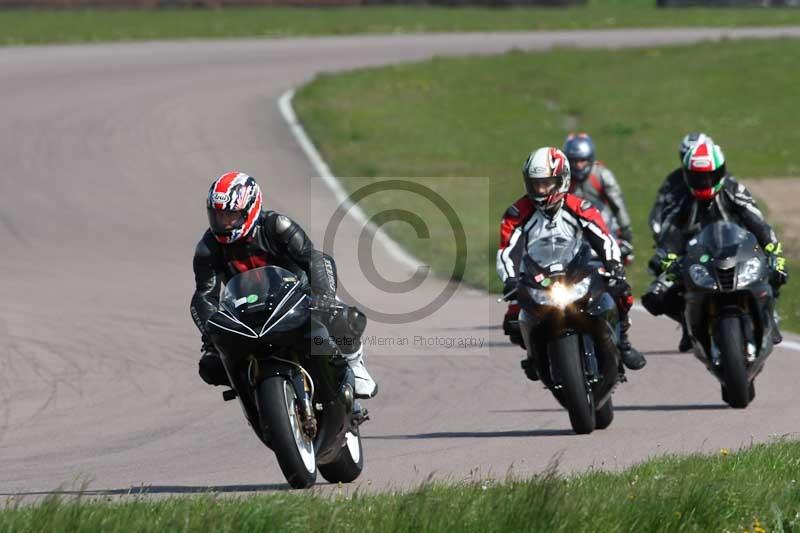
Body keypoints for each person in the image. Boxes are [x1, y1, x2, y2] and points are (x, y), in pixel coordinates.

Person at [191, 171, 378, 399]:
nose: (225, 223)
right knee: (211, 366)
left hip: (298, 298)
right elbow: (204, 295)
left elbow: (315, 259)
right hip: (247, 314)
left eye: (232, 215)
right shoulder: (208, 247)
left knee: (344, 318)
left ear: (251, 209)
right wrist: (211, 332)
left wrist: (323, 296)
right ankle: (252, 396)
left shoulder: (277, 227)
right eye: (219, 216)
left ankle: (354, 364)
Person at [497, 147, 646, 377]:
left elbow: (603, 238)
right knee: (513, 319)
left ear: (562, 180)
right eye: (536, 183)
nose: (541, 189)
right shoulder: (516, 213)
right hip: (538, 276)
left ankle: (623, 343)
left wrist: (614, 265)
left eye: (547, 183)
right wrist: (510, 279)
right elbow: (507, 250)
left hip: (576, 270)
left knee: (620, 290)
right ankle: (533, 355)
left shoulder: (580, 207)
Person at [641, 140, 788, 346]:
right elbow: (671, 232)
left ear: (721, 172)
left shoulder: (733, 189)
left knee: (776, 272)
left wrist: (772, 249)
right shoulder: (681, 197)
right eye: (698, 177)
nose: (704, 181)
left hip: (739, 250)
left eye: (710, 175)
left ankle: (769, 317)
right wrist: (664, 255)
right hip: (698, 255)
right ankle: (689, 322)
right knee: (654, 297)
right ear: (687, 175)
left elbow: (757, 222)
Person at [646, 132, 713, 350]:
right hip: (686, 246)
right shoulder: (675, 181)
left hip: (721, 244)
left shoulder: (726, 185)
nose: (700, 177)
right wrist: (663, 240)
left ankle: (767, 321)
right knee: (655, 295)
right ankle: (689, 324)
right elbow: (660, 210)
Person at [563, 133, 635, 263]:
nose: (579, 165)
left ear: (590, 159)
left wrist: (626, 235)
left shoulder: (602, 175)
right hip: (573, 236)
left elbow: (618, 205)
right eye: (574, 161)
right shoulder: (562, 179)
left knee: (615, 276)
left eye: (582, 160)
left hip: (605, 231)